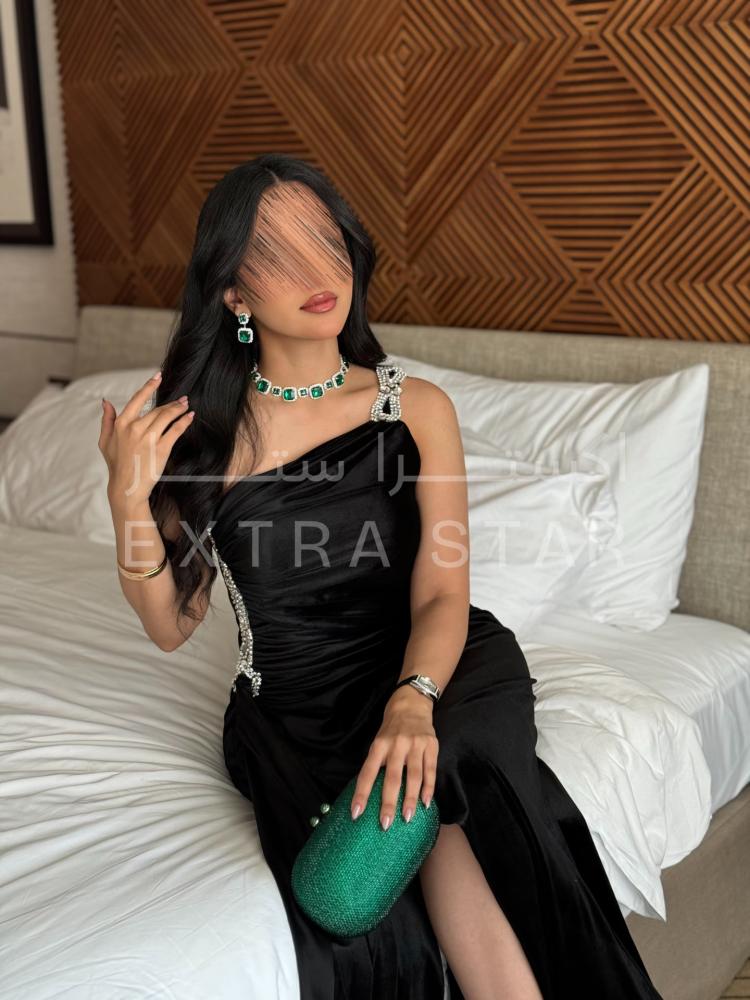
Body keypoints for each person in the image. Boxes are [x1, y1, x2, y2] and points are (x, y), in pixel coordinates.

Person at [100, 153, 664, 1000]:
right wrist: (125, 499)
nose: (316, 271)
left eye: (326, 243)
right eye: (277, 252)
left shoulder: (416, 408)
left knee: (448, 769)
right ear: (234, 294)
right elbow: (169, 624)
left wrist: (413, 700)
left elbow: (441, 592)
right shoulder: (202, 442)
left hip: (439, 659)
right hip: (298, 711)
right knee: (359, 890)